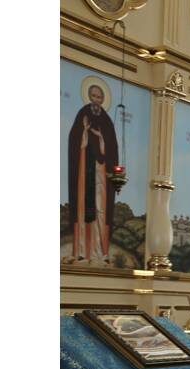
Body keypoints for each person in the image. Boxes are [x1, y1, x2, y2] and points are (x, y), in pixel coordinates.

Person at [67, 82, 119, 266]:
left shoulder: (107, 120)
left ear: (103, 99)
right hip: (85, 170)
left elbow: (112, 146)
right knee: (83, 209)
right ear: (89, 97)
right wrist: (84, 132)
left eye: (99, 97)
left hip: (101, 173)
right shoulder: (82, 114)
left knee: (101, 211)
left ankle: (100, 252)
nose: (96, 100)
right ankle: (82, 251)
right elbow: (74, 139)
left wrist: (100, 137)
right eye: (94, 96)